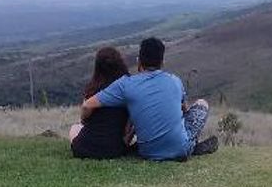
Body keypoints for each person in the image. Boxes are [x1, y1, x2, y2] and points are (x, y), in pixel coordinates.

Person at [79, 37, 216, 161]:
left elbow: (87, 105)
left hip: (147, 152)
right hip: (180, 149)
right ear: (162, 62)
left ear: (139, 60)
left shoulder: (126, 84)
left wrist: (84, 121)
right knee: (201, 103)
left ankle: (184, 146)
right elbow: (185, 111)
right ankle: (190, 146)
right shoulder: (175, 81)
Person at [69, 46, 134, 159]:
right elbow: (127, 127)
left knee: (74, 128)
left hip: (83, 149)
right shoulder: (127, 89)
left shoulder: (93, 89)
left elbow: (85, 113)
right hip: (114, 150)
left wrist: (83, 120)